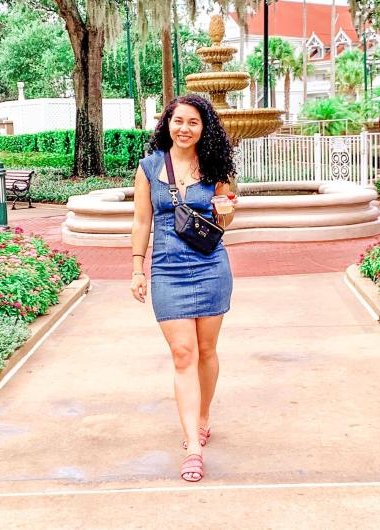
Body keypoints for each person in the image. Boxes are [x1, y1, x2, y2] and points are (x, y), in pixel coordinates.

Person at [130, 94, 238, 483]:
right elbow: (142, 222)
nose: (185, 128)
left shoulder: (215, 167)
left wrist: (227, 211)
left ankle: (204, 414)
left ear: (203, 128)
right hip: (167, 270)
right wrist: (137, 269)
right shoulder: (149, 167)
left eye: (193, 122)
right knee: (182, 353)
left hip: (210, 266)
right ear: (167, 124)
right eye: (178, 121)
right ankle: (193, 445)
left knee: (206, 350)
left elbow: (224, 216)